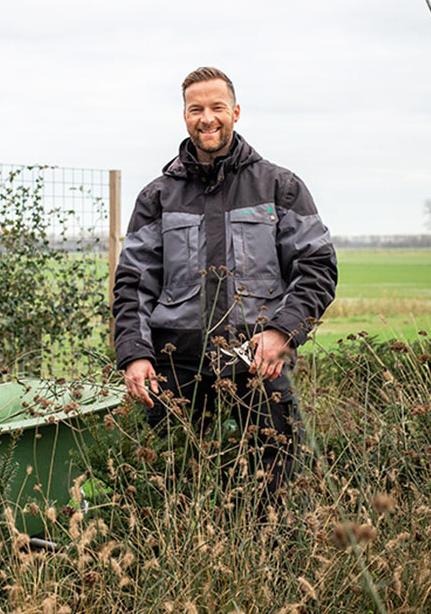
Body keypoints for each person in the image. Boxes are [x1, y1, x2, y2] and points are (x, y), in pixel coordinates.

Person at [112, 66, 337, 494]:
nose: (207, 118)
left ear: (235, 112)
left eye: (217, 107)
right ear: (184, 117)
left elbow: (317, 267)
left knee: (277, 488)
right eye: (196, 109)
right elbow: (133, 283)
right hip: (176, 370)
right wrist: (135, 355)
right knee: (169, 488)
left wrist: (282, 333)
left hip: (259, 362)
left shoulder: (279, 187)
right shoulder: (158, 196)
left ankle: (272, 558)